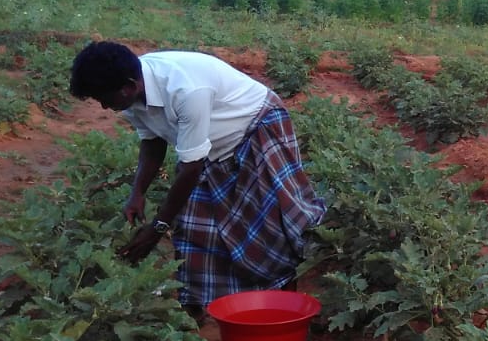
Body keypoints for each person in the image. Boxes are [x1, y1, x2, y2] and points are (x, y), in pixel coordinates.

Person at [69, 41, 327, 317]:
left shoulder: (186, 90)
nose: (104, 106)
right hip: (211, 146)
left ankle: (284, 304)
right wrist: (137, 192)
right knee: (195, 229)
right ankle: (192, 314)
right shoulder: (130, 92)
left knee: (268, 225)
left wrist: (157, 229)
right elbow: (153, 143)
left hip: (255, 127)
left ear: (130, 86)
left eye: (104, 99)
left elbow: (191, 168)